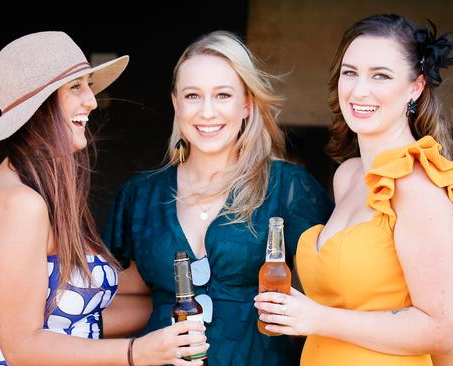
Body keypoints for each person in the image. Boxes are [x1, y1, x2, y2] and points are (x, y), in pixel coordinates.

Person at [0, 31, 207, 366]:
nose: (92, 101)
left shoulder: (39, 189)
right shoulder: (20, 204)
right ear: (41, 104)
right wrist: (136, 353)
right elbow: (21, 348)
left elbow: (83, 318)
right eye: (76, 87)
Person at [254, 14, 453, 366]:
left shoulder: (420, 188)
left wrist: (316, 318)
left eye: (381, 75)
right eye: (350, 72)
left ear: (415, 87)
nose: (360, 90)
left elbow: (443, 329)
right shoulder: (349, 175)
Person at [104, 30, 333, 365]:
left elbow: (337, 290)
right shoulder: (140, 195)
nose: (206, 112)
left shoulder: (288, 187)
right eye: (193, 96)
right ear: (175, 103)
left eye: (223, 95)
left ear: (246, 104)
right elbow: (115, 295)